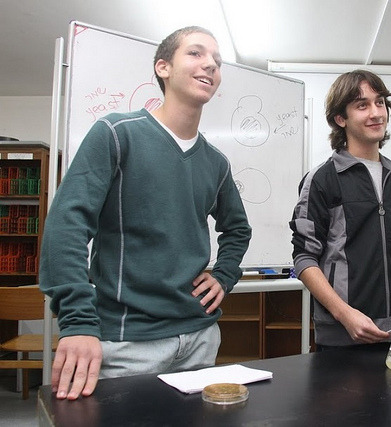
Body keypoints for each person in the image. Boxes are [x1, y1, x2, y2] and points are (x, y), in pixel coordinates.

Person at [39, 26, 251, 400]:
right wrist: (77, 323)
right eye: (197, 53)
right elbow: (66, 226)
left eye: (217, 61)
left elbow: (237, 229)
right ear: (163, 67)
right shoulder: (116, 133)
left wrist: (224, 275)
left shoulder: (216, 163)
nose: (210, 65)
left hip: (200, 338)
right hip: (126, 343)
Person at [290, 69, 391, 351]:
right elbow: (304, 258)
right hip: (343, 333)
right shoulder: (323, 179)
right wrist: (344, 315)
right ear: (340, 118)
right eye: (362, 105)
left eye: (380, 102)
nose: (376, 113)